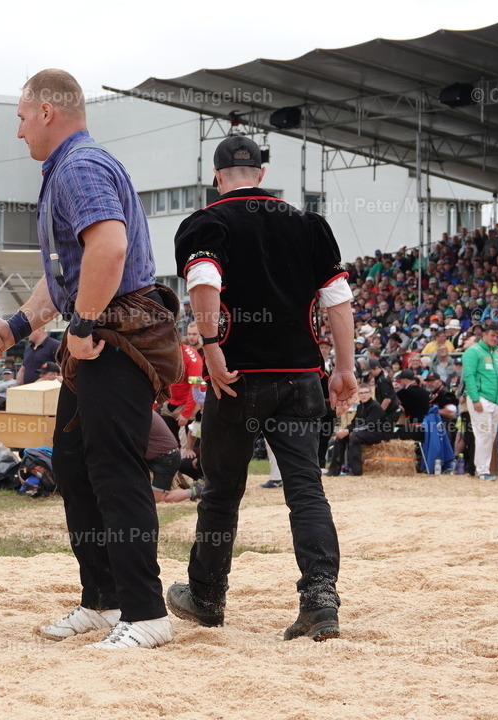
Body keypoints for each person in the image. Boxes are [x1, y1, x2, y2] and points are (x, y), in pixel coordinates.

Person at [0, 68, 182, 650]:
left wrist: (82, 325)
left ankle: (146, 614)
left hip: (113, 336)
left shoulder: (79, 166)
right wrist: (15, 327)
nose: (19, 130)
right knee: (74, 465)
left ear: (47, 112)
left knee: (115, 471)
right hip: (100, 331)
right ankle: (104, 600)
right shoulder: (70, 168)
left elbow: (109, 247)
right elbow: (69, 277)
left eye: (22, 117)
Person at [168, 134, 356, 642]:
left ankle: (207, 597)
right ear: (262, 174)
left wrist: (211, 347)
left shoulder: (207, 222)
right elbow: (338, 298)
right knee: (306, 490)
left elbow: (203, 280)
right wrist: (344, 367)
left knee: (221, 493)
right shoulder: (308, 224)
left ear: (216, 176)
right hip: (301, 376)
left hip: (237, 379)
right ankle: (320, 599)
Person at [462, 325, 498, 481]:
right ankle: (482, 471)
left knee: (490, 435)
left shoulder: (496, 354)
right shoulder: (473, 352)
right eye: (493, 335)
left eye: (497, 337)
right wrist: (475, 399)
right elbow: (469, 376)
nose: (495, 339)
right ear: (485, 335)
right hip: (481, 397)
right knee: (484, 434)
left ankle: (483, 469)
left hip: (494, 399)